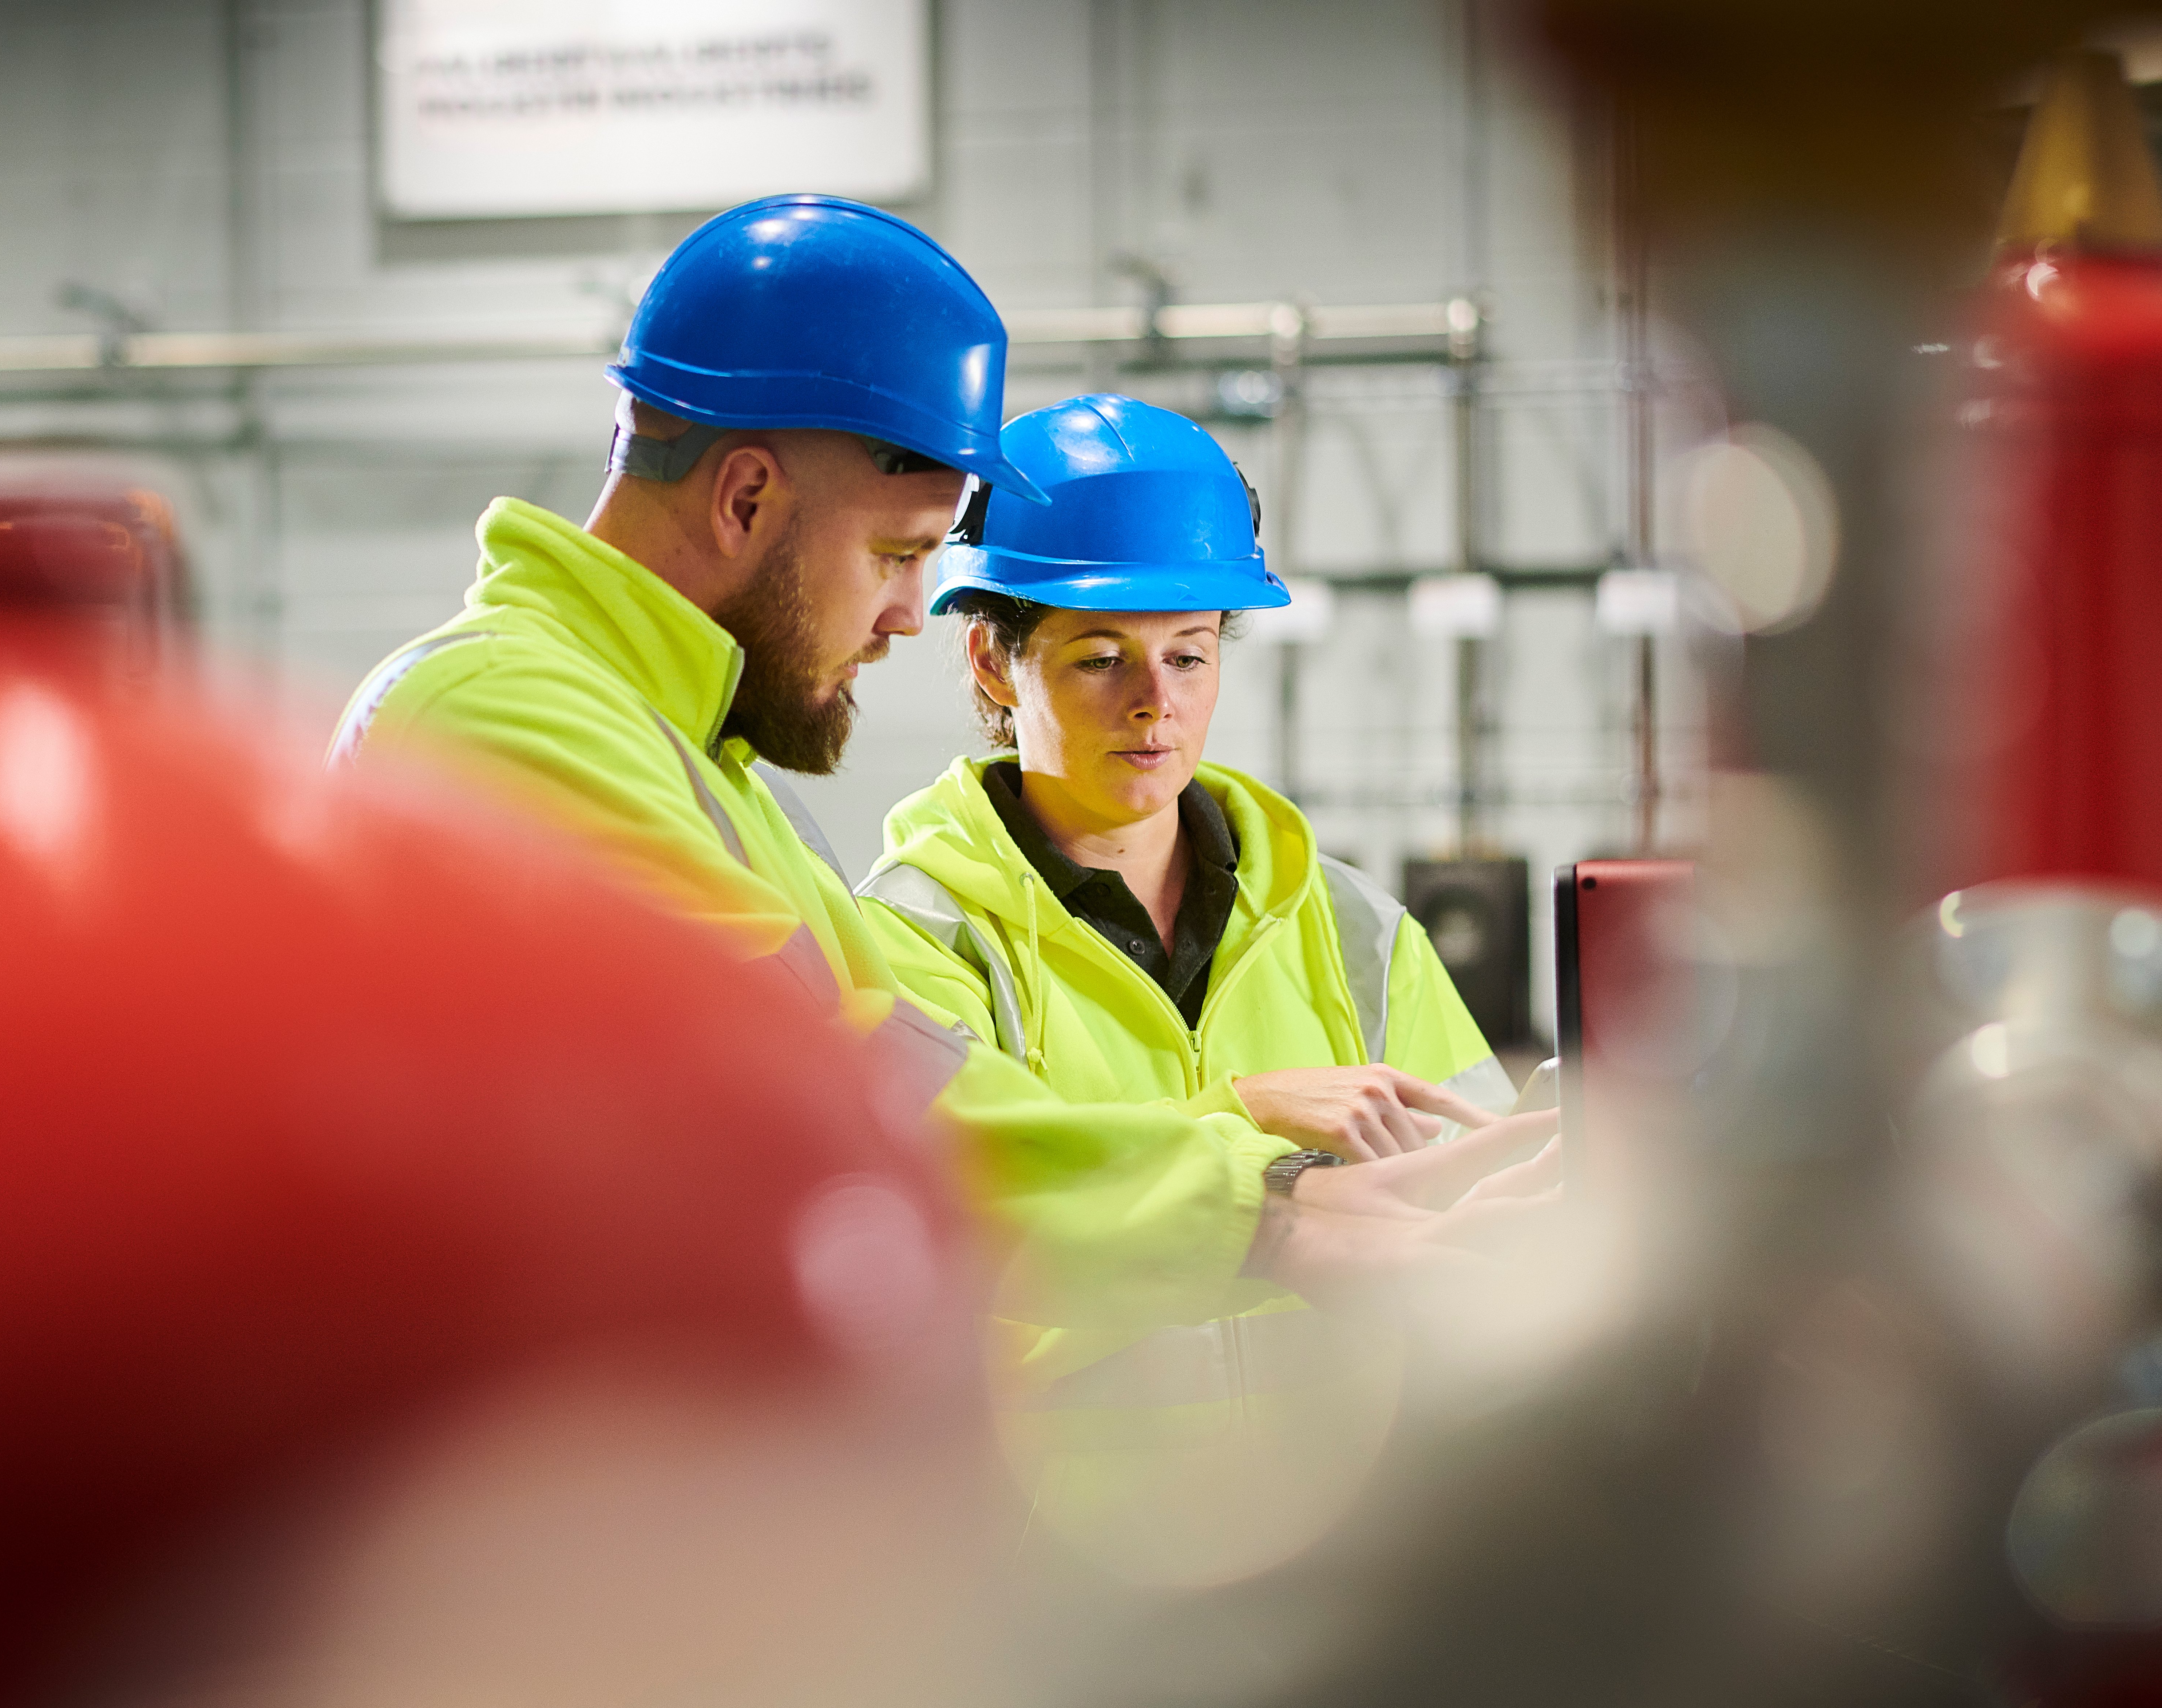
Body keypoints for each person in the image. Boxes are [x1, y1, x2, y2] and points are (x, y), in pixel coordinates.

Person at [329, 194, 1550, 1392]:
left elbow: (898, 1076)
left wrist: (1277, 1190)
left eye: (1190, 651)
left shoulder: (699, 764)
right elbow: (805, 1113)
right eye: (899, 555)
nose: (912, 613)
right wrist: (1263, 1207)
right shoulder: (513, 720)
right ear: (745, 497)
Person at [856, 393, 1545, 1580]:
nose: (1154, 703)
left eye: (1188, 655)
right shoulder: (915, 941)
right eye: (1098, 659)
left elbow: (1489, 1203)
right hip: (1057, 1595)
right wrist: (1242, 1120)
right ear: (990, 657)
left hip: (1346, 1571)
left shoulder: (1350, 928)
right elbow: (940, 1257)